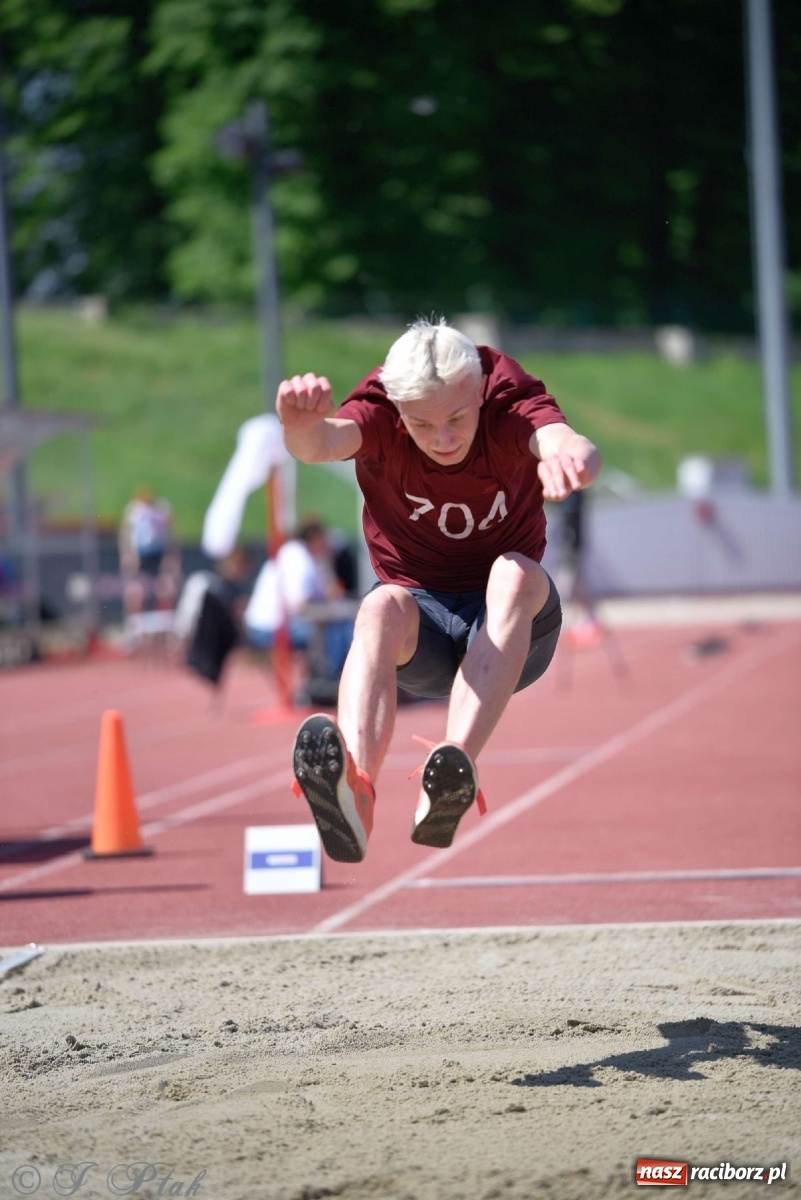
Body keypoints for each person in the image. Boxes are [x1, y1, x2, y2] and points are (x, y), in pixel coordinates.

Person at [277, 317, 602, 863]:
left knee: (513, 572)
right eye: (423, 425)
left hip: (512, 628)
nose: (443, 439)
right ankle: (355, 788)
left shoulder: (504, 395)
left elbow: (567, 441)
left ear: (478, 393)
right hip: (421, 631)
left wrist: (573, 461)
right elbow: (322, 443)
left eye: (456, 418)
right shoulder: (381, 410)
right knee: (379, 606)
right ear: (400, 411)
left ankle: (454, 769)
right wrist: (297, 425)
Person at [118, 486, 180, 618]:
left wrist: (171, 557)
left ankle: (164, 624)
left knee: (165, 590)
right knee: (136, 592)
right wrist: (127, 555)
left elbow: (171, 533)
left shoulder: (162, 509)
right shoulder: (134, 511)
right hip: (140, 555)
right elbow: (125, 533)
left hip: (158, 553)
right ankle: (134, 623)